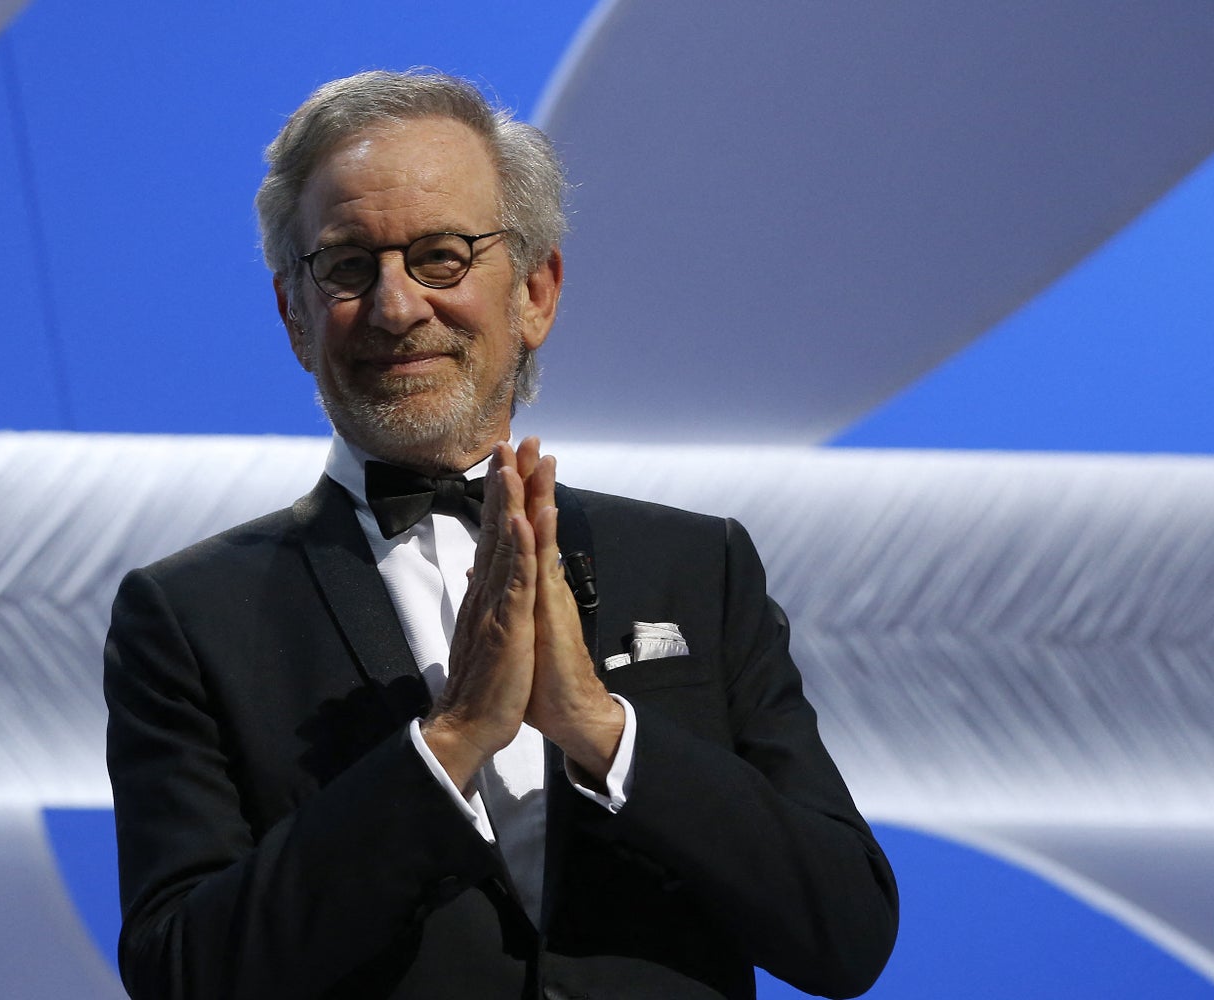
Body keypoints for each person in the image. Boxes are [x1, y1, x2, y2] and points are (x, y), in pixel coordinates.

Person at [103, 70, 897, 1000]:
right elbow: (184, 974)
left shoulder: (697, 566)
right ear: (295, 314)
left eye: (441, 255)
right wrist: (448, 747)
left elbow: (846, 933)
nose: (397, 307)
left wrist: (603, 730)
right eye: (349, 265)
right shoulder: (190, 616)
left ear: (535, 292)